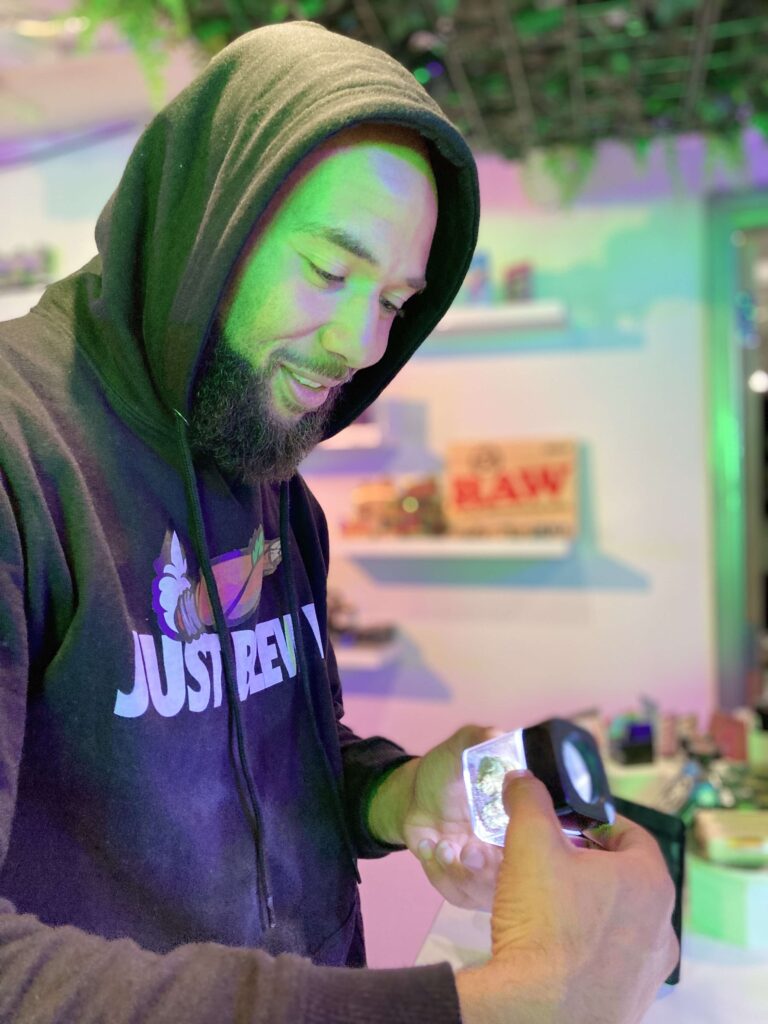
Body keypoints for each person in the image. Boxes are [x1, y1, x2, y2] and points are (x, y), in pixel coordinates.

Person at [0, 20, 677, 1024]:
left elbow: (274, 751)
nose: (362, 344)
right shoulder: (18, 452)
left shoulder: (264, 466)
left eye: (395, 302)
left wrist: (395, 795)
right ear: (207, 225)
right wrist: (496, 1006)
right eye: (328, 272)